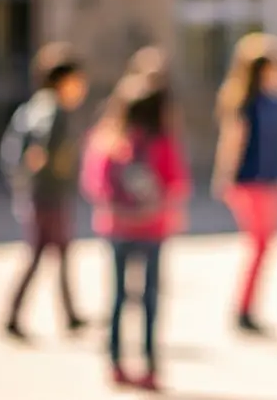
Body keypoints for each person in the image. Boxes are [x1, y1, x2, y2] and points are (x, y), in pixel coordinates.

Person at [82, 73, 191, 391]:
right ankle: (150, 364)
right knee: (150, 299)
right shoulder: (162, 142)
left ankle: (115, 361)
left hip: (116, 228)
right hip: (153, 229)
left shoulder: (108, 140)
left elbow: (94, 185)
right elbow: (177, 184)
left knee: (117, 297)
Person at [0, 43, 90, 341]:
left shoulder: (33, 106)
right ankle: (14, 315)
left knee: (56, 253)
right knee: (41, 254)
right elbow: (40, 148)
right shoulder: (53, 110)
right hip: (48, 195)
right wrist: (45, 167)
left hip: (40, 193)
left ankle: (69, 314)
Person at [211, 33, 277, 335]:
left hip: (272, 179)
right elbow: (233, 141)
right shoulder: (246, 103)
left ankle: (249, 305)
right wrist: (224, 176)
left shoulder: (276, 101)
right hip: (249, 180)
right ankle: (243, 308)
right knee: (257, 246)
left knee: (264, 246)